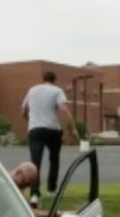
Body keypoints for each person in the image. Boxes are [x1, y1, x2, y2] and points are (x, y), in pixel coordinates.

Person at [21, 71, 80, 208]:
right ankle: (52, 189)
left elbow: (23, 111)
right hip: (53, 129)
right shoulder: (57, 91)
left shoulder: (32, 90)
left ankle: (35, 194)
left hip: (35, 129)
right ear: (54, 79)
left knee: (35, 162)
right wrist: (73, 128)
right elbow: (64, 109)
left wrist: (31, 122)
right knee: (54, 159)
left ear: (43, 79)